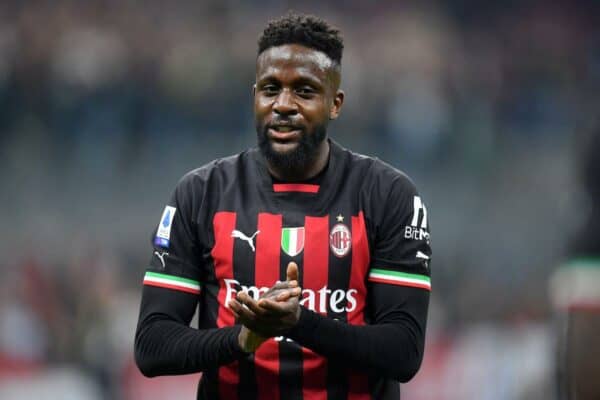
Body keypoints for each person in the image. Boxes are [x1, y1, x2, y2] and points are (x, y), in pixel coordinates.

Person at [135, 12, 432, 399]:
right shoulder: (201, 193)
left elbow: (404, 351)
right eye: (271, 89)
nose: (284, 105)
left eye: (304, 91)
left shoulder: (388, 195)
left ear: (335, 103)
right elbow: (152, 346)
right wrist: (243, 339)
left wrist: (299, 323)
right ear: (254, 96)